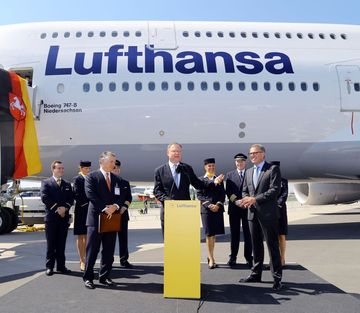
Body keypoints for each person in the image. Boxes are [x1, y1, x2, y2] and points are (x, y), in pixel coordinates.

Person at [83, 151, 131, 290]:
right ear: (102, 162)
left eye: (114, 161)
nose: (113, 164)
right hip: (96, 219)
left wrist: (115, 206)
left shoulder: (117, 179)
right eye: (111, 161)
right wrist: (105, 208)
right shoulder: (92, 177)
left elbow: (121, 196)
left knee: (109, 251)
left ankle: (104, 276)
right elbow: (90, 195)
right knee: (92, 250)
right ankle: (88, 278)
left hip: (111, 219)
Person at [154, 142, 224, 236]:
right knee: (171, 244)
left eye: (179, 151)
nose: (177, 153)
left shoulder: (187, 168)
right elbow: (157, 191)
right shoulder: (160, 170)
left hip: (185, 210)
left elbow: (198, 184)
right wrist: (169, 201)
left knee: (185, 242)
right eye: (174, 151)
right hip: (168, 211)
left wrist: (213, 182)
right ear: (168, 153)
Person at [239, 144, 283, 291]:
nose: (252, 156)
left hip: (268, 214)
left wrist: (255, 199)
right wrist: (246, 199)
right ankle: (256, 273)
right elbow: (245, 190)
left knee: (272, 246)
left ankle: (277, 278)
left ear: (263, 154)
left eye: (255, 153)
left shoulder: (272, 169)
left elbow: (275, 190)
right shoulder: (248, 171)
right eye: (250, 154)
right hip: (252, 214)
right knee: (256, 245)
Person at [41, 160, 74, 276]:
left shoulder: (67, 184)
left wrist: (65, 208)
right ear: (53, 169)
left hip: (63, 218)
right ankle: (49, 267)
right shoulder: (46, 183)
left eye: (62, 168)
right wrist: (57, 209)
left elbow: (71, 199)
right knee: (51, 244)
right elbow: (45, 198)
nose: (61, 170)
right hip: (51, 219)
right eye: (59, 168)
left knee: (61, 244)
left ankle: (61, 266)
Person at [196, 158, 225, 269]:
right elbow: (200, 195)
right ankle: (211, 258)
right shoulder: (201, 180)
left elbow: (222, 194)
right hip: (206, 210)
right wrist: (209, 205)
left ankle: (211, 256)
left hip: (217, 209)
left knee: (214, 234)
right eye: (209, 166)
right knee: (209, 234)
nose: (211, 167)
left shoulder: (219, 180)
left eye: (213, 165)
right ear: (205, 167)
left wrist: (217, 205)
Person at [225, 153, 253, 268]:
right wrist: (236, 201)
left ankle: (248, 257)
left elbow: (252, 190)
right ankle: (233, 257)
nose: (239, 163)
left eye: (241, 161)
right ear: (235, 162)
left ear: (245, 162)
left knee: (248, 234)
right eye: (237, 161)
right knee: (234, 234)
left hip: (247, 208)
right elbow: (228, 192)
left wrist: (246, 201)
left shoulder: (250, 173)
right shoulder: (230, 175)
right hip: (234, 209)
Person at [112, 159, 133, 268]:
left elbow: (129, 197)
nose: (116, 169)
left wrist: (124, 207)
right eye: (114, 167)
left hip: (122, 214)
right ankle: (108, 260)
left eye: (117, 168)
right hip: (110, 215)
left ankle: (124, 260)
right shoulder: (106, 183)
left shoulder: (125, 183)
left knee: (123, 239)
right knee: (109, 240)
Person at [73, 160, 91, 272]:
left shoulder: (90, 178)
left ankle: (87, 259)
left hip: (90, 210)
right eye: (85, 168)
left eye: (88, 168)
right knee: (81, 236)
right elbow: (77, 194)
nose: (87, 170)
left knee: (88, 236)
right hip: (81, 210)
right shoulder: (77, 179)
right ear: (80, 168)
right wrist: (88, 203)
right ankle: (82, 260)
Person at [272, 161, 289, 267]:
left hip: (280, 210)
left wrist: (276, 205)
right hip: (269, 212)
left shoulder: (284, 181)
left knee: (281, 235)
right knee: (271, 237)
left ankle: (282, 258)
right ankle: (273, 260)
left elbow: (284, 194)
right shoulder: (267, 181)